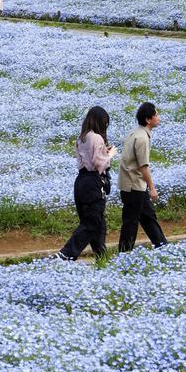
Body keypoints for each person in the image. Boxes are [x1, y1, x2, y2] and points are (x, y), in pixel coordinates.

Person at [55, 107, 117, 261]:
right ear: (100, 121)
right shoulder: (96, 138)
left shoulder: (81, 137)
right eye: (105, 123)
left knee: (98, 223)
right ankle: (66, 254)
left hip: (81, 182)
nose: (105, 127)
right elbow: (98, 163)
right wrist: (109, 155)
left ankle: (102, 258)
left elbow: (89, 157)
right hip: (93, 183)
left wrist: (103, 152)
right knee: (92, 222)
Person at [118, 103, 169, 252]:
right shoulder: (142, 139)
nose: (158, 118)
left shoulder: (135, 133)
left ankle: (162, 246)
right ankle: (124, 253)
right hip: (134, 185)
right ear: (148, 119)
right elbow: (143, 166)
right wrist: (152, 188)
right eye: (156, 115)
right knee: (131, 222)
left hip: (131, 184)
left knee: (148, 217)